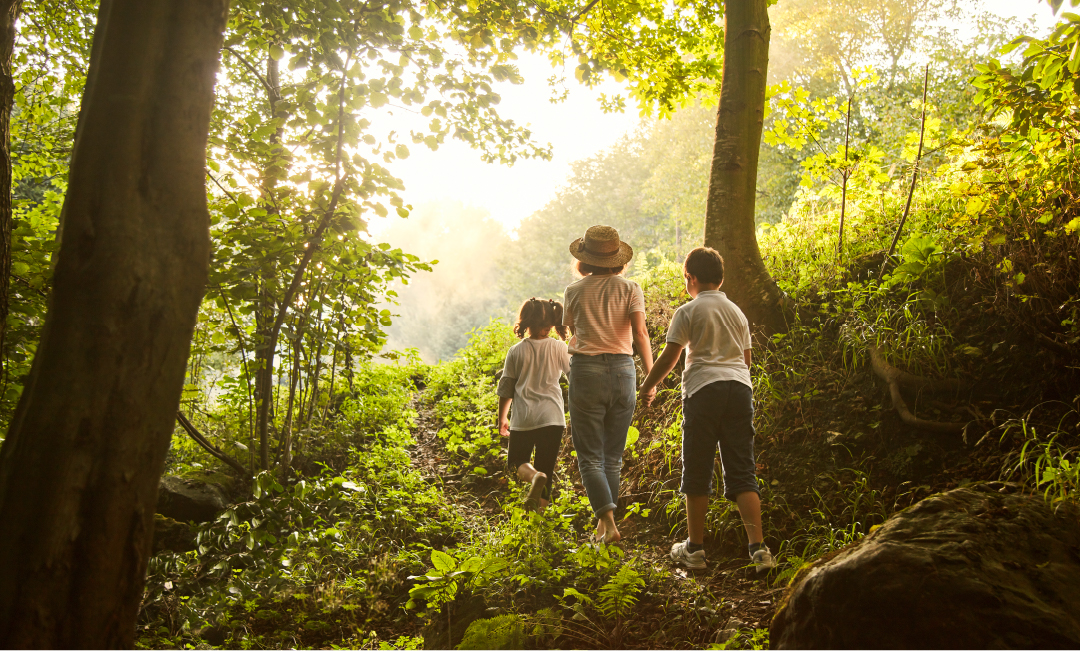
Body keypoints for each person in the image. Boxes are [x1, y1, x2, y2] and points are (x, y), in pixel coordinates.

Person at [638, 246, 775, 572]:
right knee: (742, 470)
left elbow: (670, 357)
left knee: (698, 468)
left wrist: (647, 385)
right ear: (721, 278)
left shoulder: (688, 312)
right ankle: (759, 551)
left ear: (692, 278)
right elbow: (746, 361)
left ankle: (695, 550)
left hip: (703, 391)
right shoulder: (737, 313)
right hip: (740, 391)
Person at [564, 225, 654, 543]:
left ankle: (609, 525)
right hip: (624, 371)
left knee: (589, 456)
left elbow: (570, 330)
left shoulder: (574, 291)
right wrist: (650, 378)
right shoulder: (631, 288)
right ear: (618, 258)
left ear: (585, 259)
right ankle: (604, 528)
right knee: (612, 456)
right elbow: (640, 335)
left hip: (587, 372)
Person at [497, 298, 571, 511]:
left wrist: (502, 417)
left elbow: (507, 387)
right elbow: (573, 377)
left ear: (526, 322)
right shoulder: (559, 347)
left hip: (524, 417)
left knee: (515, 464)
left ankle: (534, 476)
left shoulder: (516, 351)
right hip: (553, 417)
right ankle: (538, 518)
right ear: (551, 322)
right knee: (547, 467)